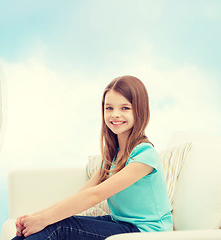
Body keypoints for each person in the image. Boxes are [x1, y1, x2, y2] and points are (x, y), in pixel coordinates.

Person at [12, 75, 173, 240]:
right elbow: (83, 193)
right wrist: (34, 218)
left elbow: (95, 195)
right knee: (50, 225)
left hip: (146, 232)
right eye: (109, 108)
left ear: (140, 111)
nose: (115, 114)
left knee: (59, 227)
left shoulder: (145, 155)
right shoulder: (113, 155)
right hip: (120, 224)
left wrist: (42, 219)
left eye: (125, 108)